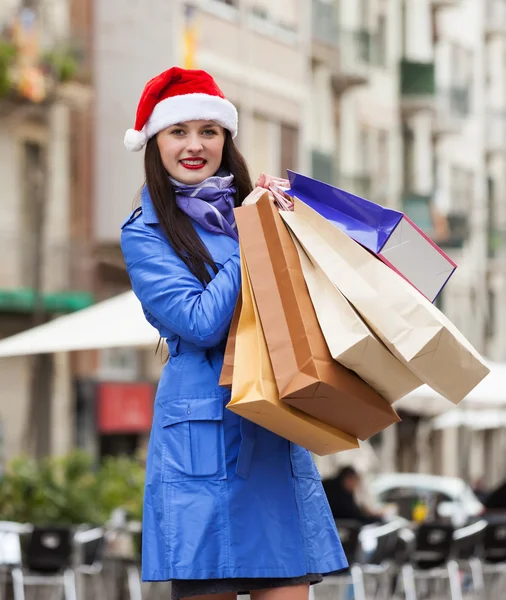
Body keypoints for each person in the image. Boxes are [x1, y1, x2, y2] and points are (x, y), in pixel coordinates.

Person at [120, 67, 348, 600]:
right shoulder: (146, 233)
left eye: (210, 131)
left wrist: (292, 222)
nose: (195, 145)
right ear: (155, 142)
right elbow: (200, 322)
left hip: (270, 426)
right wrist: (254, 231)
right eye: (179, 131)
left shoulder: (255, 210)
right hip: (201, 438)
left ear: (227, 138)